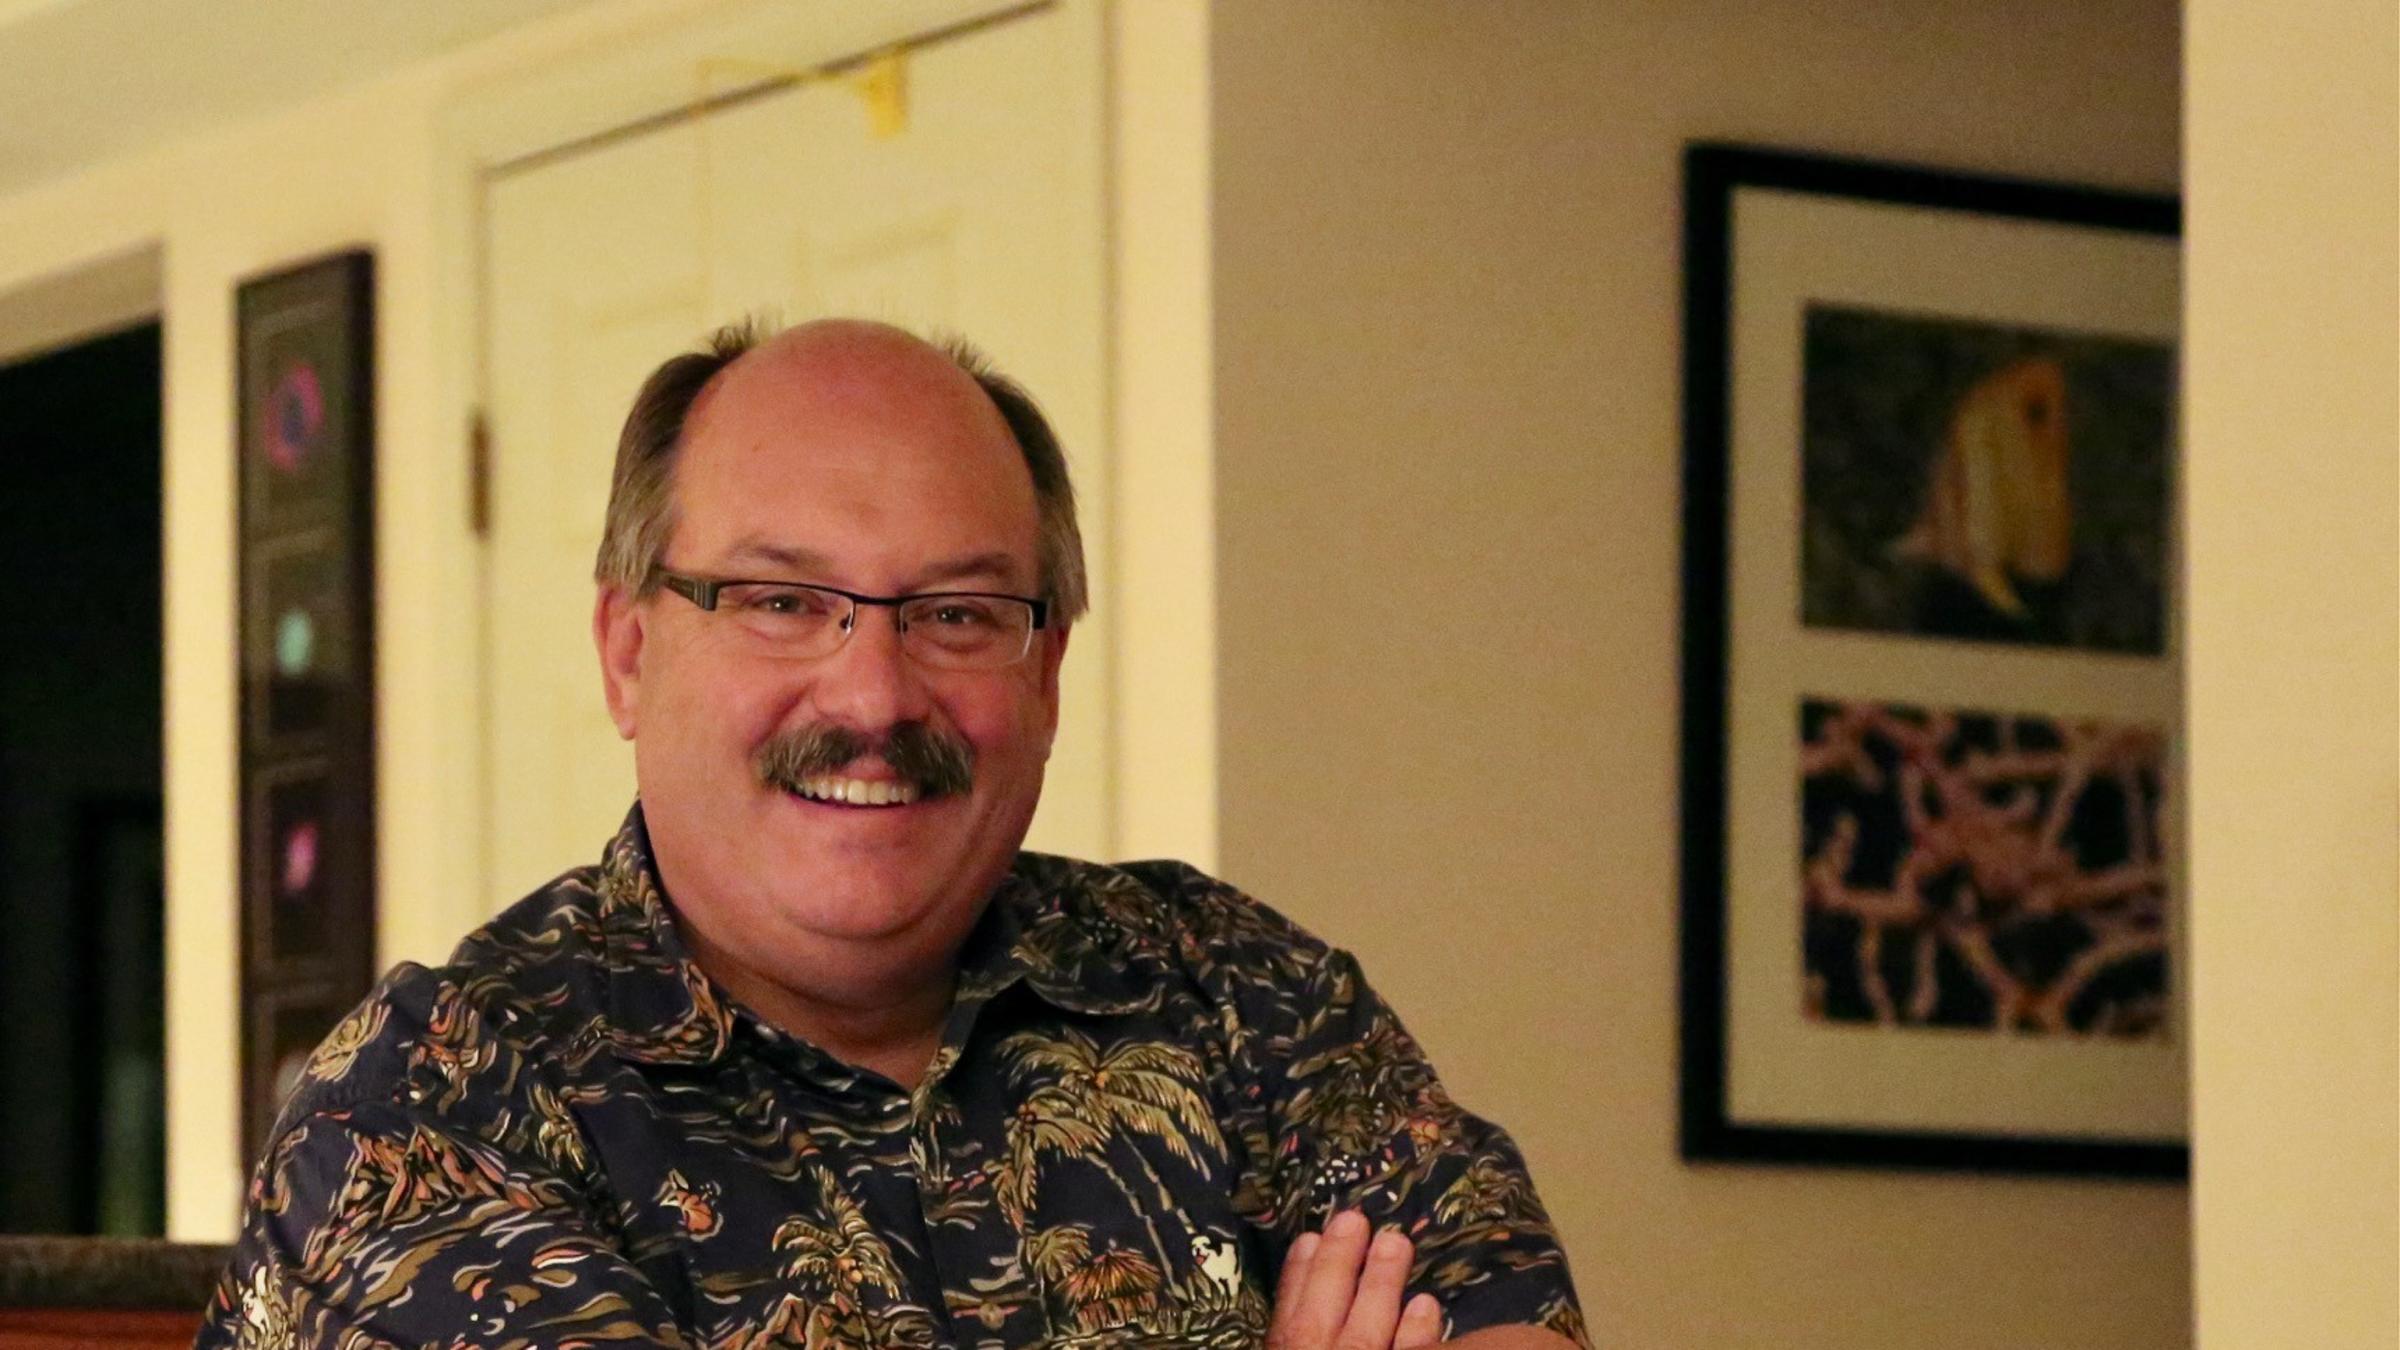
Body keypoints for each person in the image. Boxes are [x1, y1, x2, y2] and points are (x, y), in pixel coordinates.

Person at [198, 319, 1587, 1349]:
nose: (873, 693)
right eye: (782, 601)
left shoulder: (1243, 1003)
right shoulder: (430, 1110)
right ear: (628, 651)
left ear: (1046, 675)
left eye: (959, 613)